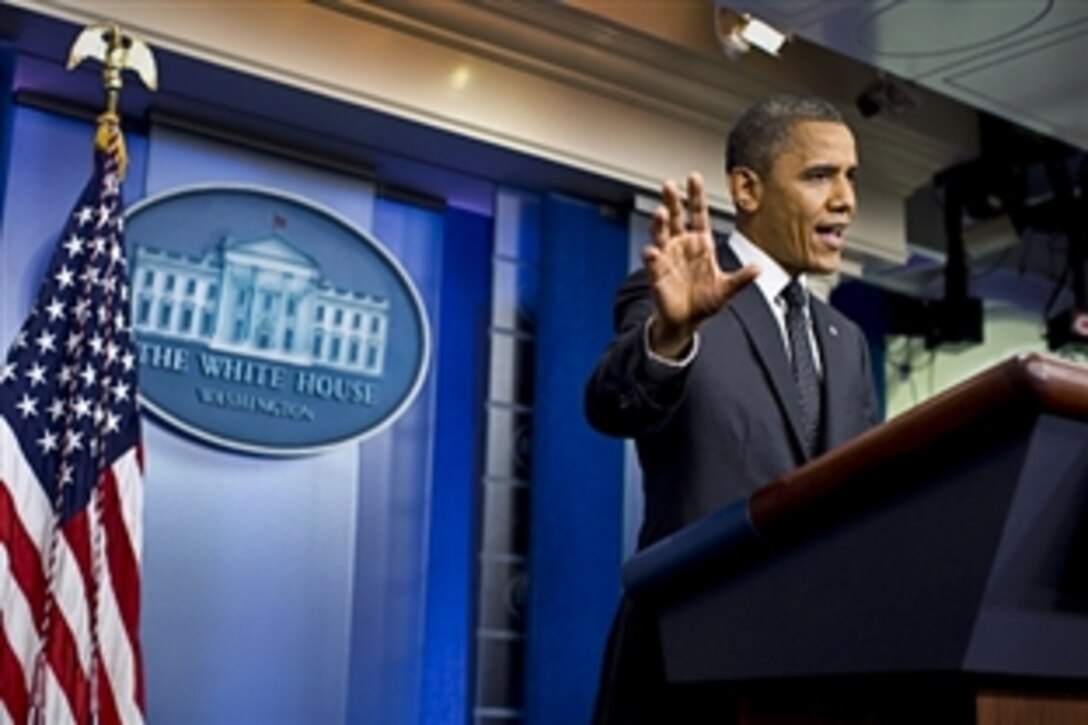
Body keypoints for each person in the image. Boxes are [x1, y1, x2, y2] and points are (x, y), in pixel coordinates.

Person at [585, 93, 882, 723]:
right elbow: (614, 406)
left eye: (851, 177)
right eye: (819, 175)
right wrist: (671, 336)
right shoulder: (677, 297)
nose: (846, 199)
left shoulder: (846, 341)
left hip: (815, 668)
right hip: (689, 659)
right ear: (747, 188)